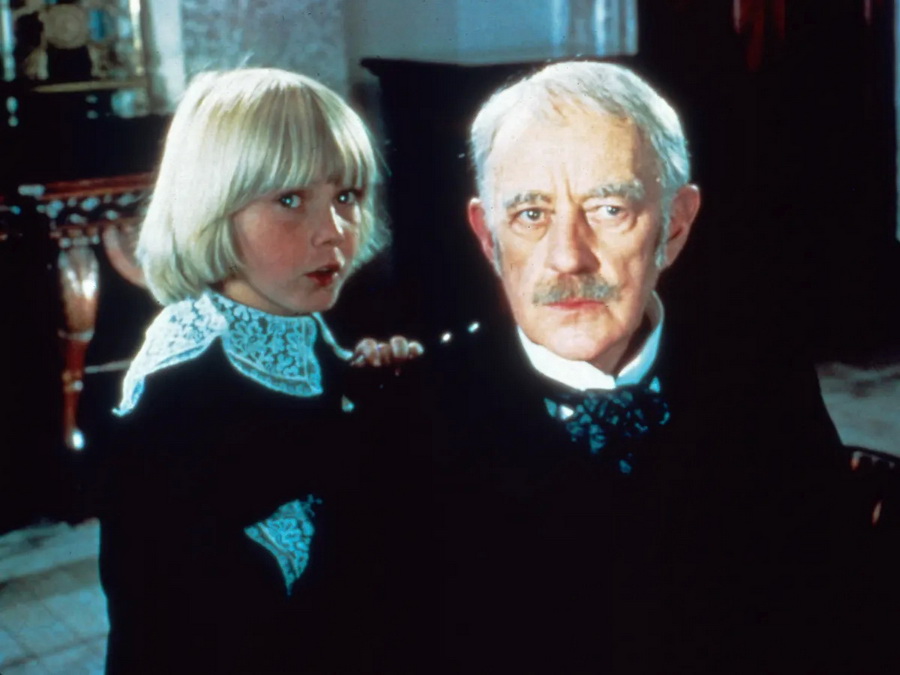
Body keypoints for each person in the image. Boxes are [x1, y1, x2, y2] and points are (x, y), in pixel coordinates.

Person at [376, 60, 899, 673]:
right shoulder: (406, 421)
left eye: (608, 209)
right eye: (531, 215)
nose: (568, 258)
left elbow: (840, 619)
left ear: (674, 227)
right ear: (489, 238)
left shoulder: (761, 382)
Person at [95, 68, 419, 674]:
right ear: (213, 208)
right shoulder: (179, 391)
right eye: (290, 200)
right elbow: (178, 620)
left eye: (347, 196)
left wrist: (378, 389)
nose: (334, 232)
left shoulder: (292, 320)